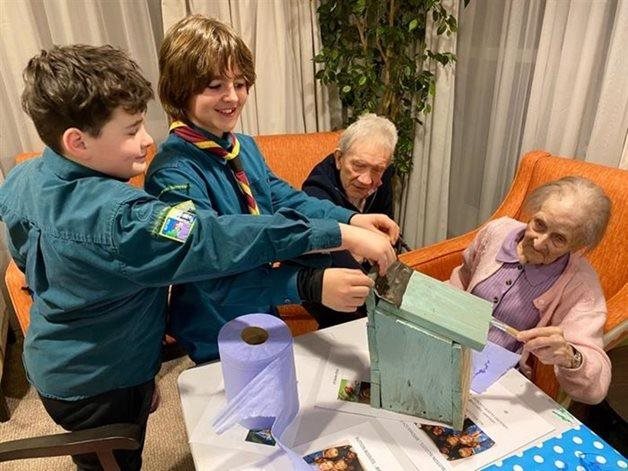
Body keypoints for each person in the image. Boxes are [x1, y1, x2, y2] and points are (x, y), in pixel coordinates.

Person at [0, 44, 396, 471]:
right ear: (77, 141)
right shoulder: (126, 217)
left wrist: (347, 218)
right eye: (132, 130)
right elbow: (214, 239)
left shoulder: (23, 176)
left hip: (58, 360)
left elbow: (27, 259)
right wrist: (333, 239)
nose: (147, 140)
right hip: (102, 380)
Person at [145, 15, 399, 363]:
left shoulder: (243, 147)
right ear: (180, 90)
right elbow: (211, 258)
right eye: (215, 86)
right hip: (216, 329)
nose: (232, 97)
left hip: (263, 308)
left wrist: (351, 220)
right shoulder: (172, 172)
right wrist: (308, 282)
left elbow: (284, 197)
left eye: (240, 83)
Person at [449, 176, 612, 404]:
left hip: (498, 383)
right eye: (539, 224)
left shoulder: (582, 286)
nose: (537, 243)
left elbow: (597, 389)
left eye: (558, 239)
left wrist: (570, 357)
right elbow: (463, 276)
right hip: (448, 346)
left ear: (578, 246)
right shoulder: (497, 231)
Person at [301, 113, 398, 327]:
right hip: (323, 278)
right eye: (358, 166)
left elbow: (387, 235)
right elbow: (340, 260)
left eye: (377, 170)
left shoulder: (382, 175)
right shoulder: (316, 190)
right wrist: (365, 248)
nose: (366, 179)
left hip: (366, 275)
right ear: (339, 158)